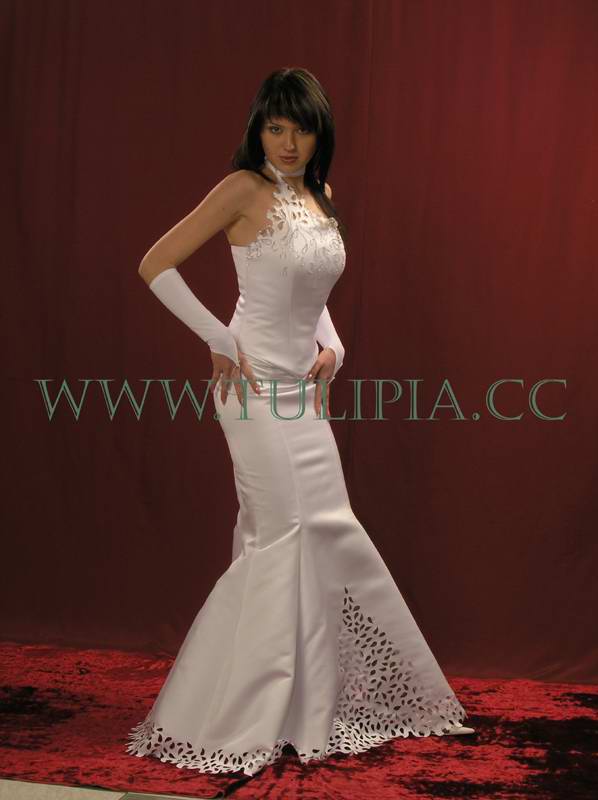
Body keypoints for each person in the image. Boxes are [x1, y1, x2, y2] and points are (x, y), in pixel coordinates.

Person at [126, 67, 473, 779]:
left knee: (324, 532)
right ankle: (236, 714)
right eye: (274, 127)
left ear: (321, 135)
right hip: (251, 389)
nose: (286, 143)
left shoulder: (322, 196)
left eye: (301, 129)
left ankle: (304, 709)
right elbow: (155, 264)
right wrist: (219, 339)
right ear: (258, 130)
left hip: (302, 399)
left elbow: (313, 293)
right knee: (282, 535)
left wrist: (334, 348)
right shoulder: (241, 189)